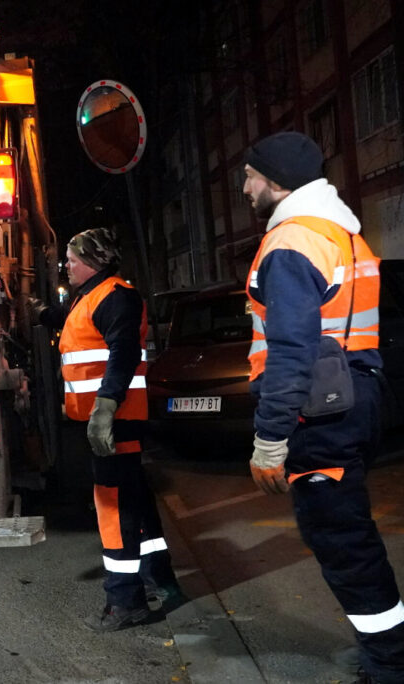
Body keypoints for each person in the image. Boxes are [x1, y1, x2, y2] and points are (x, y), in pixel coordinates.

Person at [243, 131, 404, 684]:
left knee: (344, 543)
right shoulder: (341, 233)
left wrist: (270, 439)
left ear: (277, 181)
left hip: (320, 412)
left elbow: (291, 350)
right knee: (349, 535)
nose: (245, 186)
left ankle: (389, 664)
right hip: (356, 399)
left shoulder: (291, 242)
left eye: (250, 175)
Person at [33, 227, 182, 632]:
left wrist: (105, 407)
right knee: (134, 500)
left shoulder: (116, 296)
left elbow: (123, 353)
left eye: (73, 259)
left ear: (94, 262)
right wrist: (39, 312)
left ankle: (125, 600)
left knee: (114, 506)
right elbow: (70, 321)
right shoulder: (91, 297)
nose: (67, 264)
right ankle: (161, 580)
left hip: (114, 421)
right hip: (112, 420)